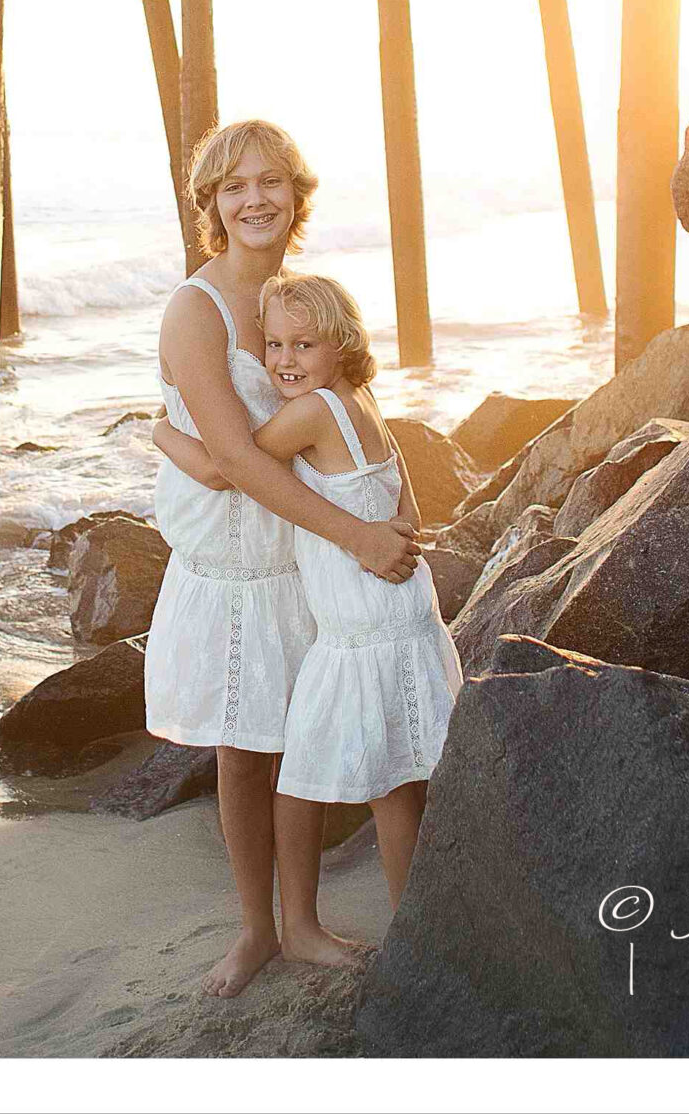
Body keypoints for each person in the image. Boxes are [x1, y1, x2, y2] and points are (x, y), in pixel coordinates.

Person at [144, 119, 425, 998]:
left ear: (297, 196)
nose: (255, 199)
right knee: (243, 746)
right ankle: (257, 929)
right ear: (211, 206)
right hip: (238, 564)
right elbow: (234, 459)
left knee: (303, 736)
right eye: (234, 186)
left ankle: (302, 924)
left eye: (271, 182)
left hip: (308, 553)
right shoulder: (197, 310)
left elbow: (355, 406)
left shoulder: (301, 300)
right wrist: (359, 535)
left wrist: (399, 514)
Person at [158, 271, 460, 932]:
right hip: (404, 612)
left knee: (300, 779)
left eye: (304, 346)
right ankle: (420, 929)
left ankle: (307, 925)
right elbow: (407, 508)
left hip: (355, 630)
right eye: (273, 345)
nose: (284, 362)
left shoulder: (311, 413)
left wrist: (161, 434)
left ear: (341, 345)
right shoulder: (365, 401)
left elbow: (228, 467)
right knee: (397, 784)